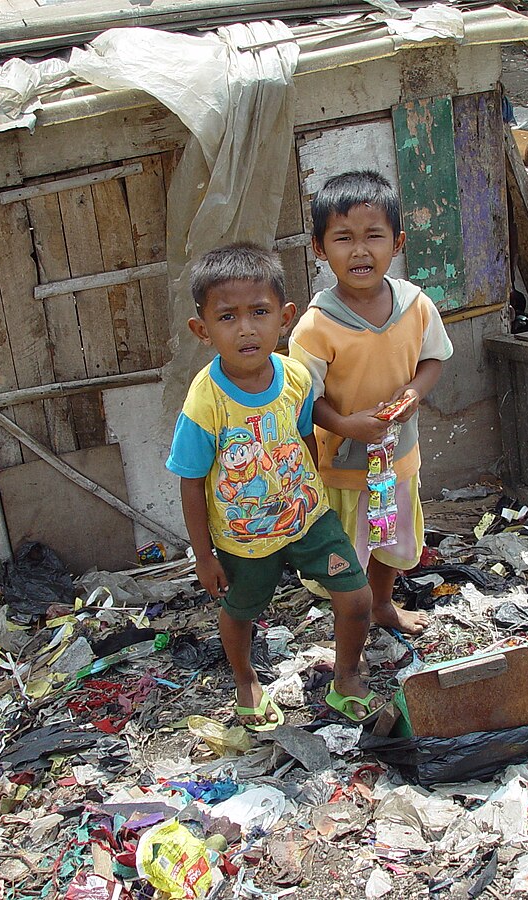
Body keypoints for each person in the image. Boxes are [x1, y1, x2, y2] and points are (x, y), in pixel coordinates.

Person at [167, 243, 383, 728]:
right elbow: (190, 482)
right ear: (202, 330)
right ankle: (246, 680)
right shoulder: (205, 403)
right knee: (240, 612)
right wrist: (204, 557)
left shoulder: (296, 378)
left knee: (357, 598)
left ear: (284, 318)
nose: (246, 328)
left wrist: (320, 497)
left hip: (309, 519)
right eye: (227, 317)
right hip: (244, 539)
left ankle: (347, 675)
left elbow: (305, 438)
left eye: (259, 312)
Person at [290, 171, 453, 636]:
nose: (359, 251)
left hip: (398, 459)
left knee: (393, 542)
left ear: (397, 242)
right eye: (343, 239)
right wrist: (345, 423)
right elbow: (305, 401)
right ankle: (352, 625)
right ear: (320, 248)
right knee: (349, 554)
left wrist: (414, 394)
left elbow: (433, 359)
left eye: (373, 236)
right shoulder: (316, 327)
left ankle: (383, 604)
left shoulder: (416, 306)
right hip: (343, 466)